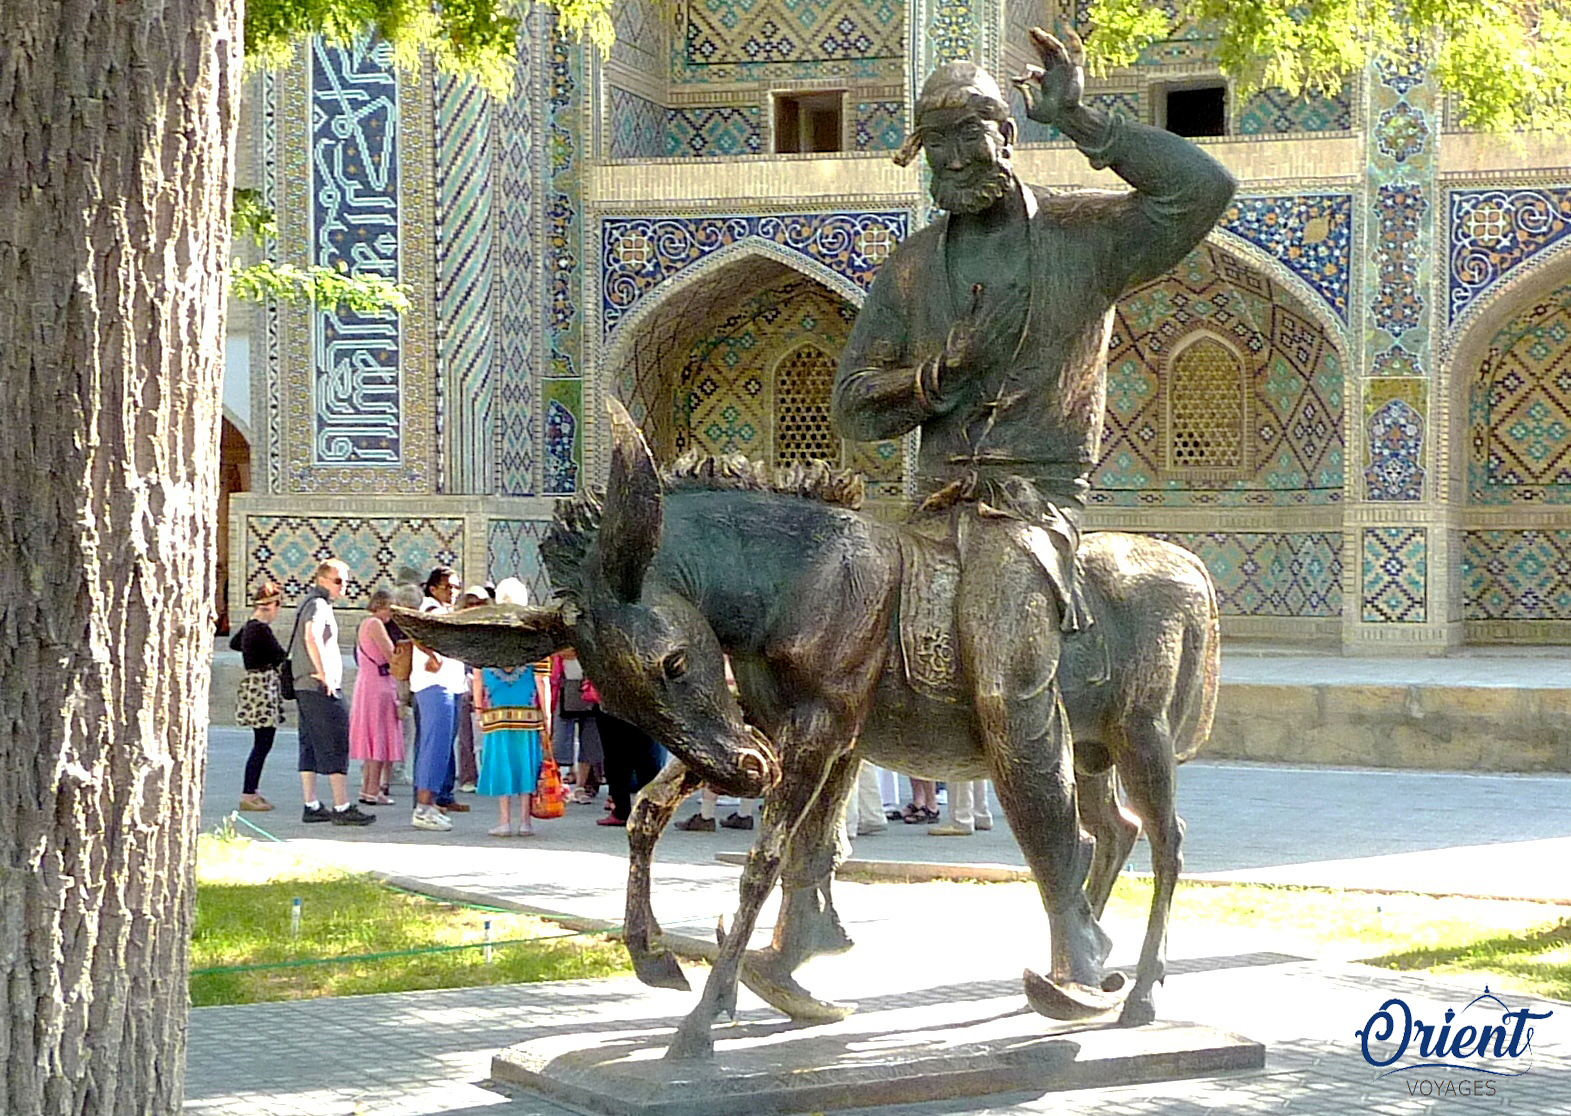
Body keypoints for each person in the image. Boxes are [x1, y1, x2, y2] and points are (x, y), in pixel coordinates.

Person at [833, 30, 1233, 992]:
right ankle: (803, 902)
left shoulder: (1085, 239)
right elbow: (854, 407)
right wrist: (935, 377)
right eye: (938, 145)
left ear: (1007, 134)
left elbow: (1203, 191)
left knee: (1010, 671)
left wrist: (1085, 121)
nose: (958, 160)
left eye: (972, 137)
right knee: (813, 650)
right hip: (927, 507)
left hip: (1029, 505)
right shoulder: (912, 268)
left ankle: (1070, 925)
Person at [290, 559, 375, 826]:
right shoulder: (318, 605)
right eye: (338, 581)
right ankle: (341, 806)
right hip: (318, 685)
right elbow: (311, 636)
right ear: (322, 580)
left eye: (346, 581)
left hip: (304, 684)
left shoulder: (309, 602)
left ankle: (311, 804)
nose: (343, 586)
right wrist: (324, 673)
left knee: (310, 744)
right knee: (336, 741)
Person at [474, 578, 552, 837]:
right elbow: (542, 679)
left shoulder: (486, 635)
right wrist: (547, 714)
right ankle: (525, 822)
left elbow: (477, 675)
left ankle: (504, 821)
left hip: (496, 711)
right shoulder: (534, 635)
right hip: (528, 712)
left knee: (501, 764)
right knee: (527, 764)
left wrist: (477, 707)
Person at [409, 566, 469, 831]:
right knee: (435, 748)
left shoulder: (443, 611)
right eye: (448, 586)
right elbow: (416, 633)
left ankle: (429, 805)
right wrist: (431, 654)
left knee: (437, 747)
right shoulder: (431, 609)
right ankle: (423, 808)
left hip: (447, 687)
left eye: (456, 587)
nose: (453, 591)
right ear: (433, 588)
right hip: (436, 687)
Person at [231, 581, 287, 811]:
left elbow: (235, 643)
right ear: (272, 605)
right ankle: (248, 793)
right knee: (263, 742)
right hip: (262, 686)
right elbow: (279, 655)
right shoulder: (260, 629)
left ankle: (252, 791)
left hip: (256, 685)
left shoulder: (250, 627)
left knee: (262, 741)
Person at [349, 587, 403, 806]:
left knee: (372, 737)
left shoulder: (364, 624)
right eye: (390, 607)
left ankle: (367, 789)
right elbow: (391, 655)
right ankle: (373, 790)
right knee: (379, 738)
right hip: (379, 686)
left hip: (367, 684)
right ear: (380, 605)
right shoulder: (376, 624)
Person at [550, 648, 604, 805]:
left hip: (589, 687)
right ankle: (558, 784)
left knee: (590, 740)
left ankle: (581, 786)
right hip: (563, 686)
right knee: (559, 740)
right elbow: (556, 652)